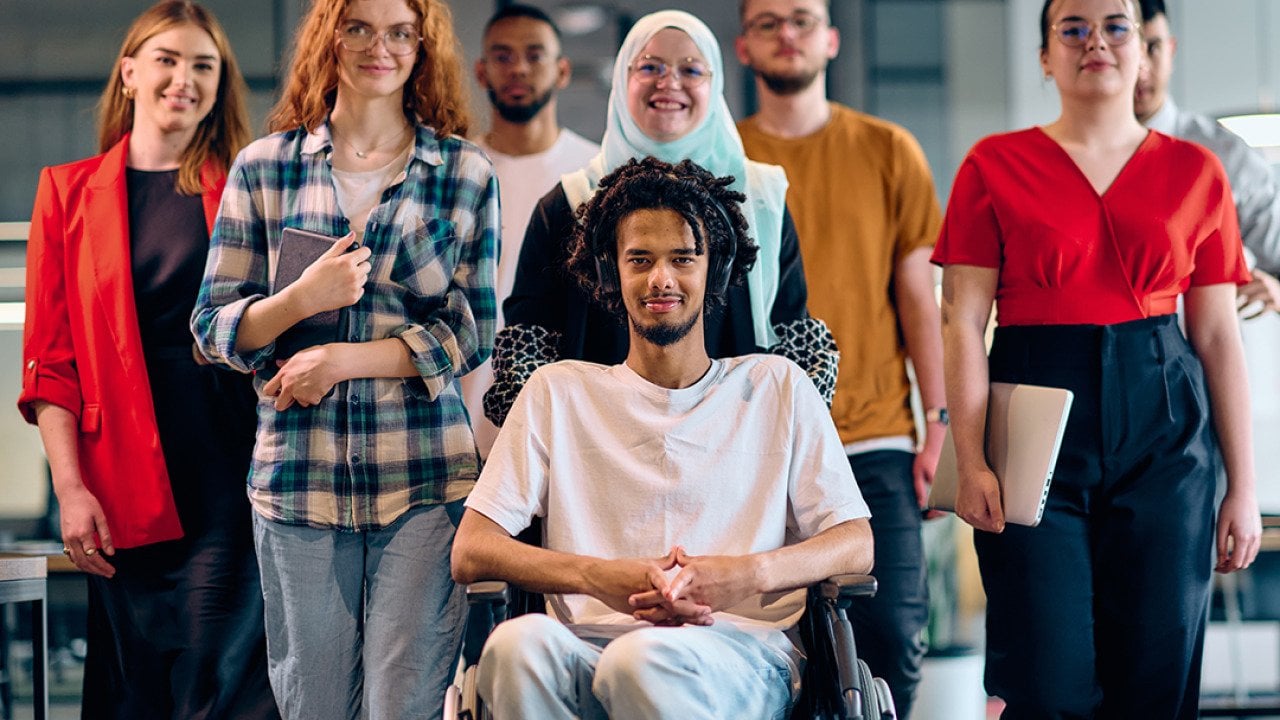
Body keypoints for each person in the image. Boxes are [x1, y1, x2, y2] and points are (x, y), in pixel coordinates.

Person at [452, 157, 873, 719]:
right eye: (640, 260)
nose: (661, 280)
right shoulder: (557, 392)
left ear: (715, 271)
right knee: (513, 645)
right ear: (611, 273)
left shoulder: (778, 388)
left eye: (682, 258)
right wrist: (594, 576)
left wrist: (746, 574)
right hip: (587, 646)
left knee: (641, 659)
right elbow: (472, 549)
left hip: (742, 651)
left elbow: (855, 541)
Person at [933, 0, 1263, 717]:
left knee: (1157, 674)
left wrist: (1242, 485)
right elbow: (961, 319)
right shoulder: (994, 164)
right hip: (1032, 416)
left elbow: (1216, 336)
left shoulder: (1197, 170)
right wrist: (972, 457)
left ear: (1145, 50)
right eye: (1073, 29)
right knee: (1045, 679)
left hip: (1166, 425)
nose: (1096, 43)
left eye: (1116, 26)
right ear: (1045, 57)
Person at [191, 0, 497, 717]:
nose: (378, 47)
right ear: (330, 37)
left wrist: (341, 361)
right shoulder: (264, 169)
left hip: (423, 475)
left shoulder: (464, 172)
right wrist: (299, 300)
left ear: (422, 47)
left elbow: (472, 330)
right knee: (314, 704)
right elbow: (212, 326)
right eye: (358, 27)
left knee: (404, 705)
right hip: (299, 479)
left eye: (399, 33)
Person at [17, 2, 276, 718]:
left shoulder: (246, 189)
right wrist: (70, 489)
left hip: (232, 469)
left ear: (219, 85)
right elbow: (51, 363)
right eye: (167, 59)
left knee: (216, 677)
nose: (183, 79)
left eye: (203, 66)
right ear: (129, 72)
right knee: (137, 692)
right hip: (121, 482)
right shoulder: (66, 193)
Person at [734, 1, 943, 714]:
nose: (786, 34)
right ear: (744, 46)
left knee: (892, 642)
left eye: (801, 19)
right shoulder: (724, 156)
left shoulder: (889, 149)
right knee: (768, 652)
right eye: (767, 22)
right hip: (752, 447)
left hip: (875, 436)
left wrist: (939, 424)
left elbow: (919, 299)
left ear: (830, 38)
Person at [483, 9, 836, 428]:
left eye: (691, 69)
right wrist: (562, 438)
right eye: (650, 67)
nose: (669, 82)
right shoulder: (570, 202)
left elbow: (793, 338)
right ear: (623, 79)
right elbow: (527, 344)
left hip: (736, 442)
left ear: (715, 84)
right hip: (597, 443)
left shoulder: (761, 199)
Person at [460, 3, 599, 458]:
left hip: (566, 428)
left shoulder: (596, 175)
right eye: (503, 56)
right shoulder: (454, 172)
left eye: (534, 55)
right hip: (459, 424)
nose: (518, 68)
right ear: (481, 72)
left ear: (562, 70)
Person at [1134, 0, 1280, 316]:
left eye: (1153, 47)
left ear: (1171, 50)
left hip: (1212, 339)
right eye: (1131, 48)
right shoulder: (1071, 162)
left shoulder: (1227, 155)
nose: (1141, 67)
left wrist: (1277, 290)